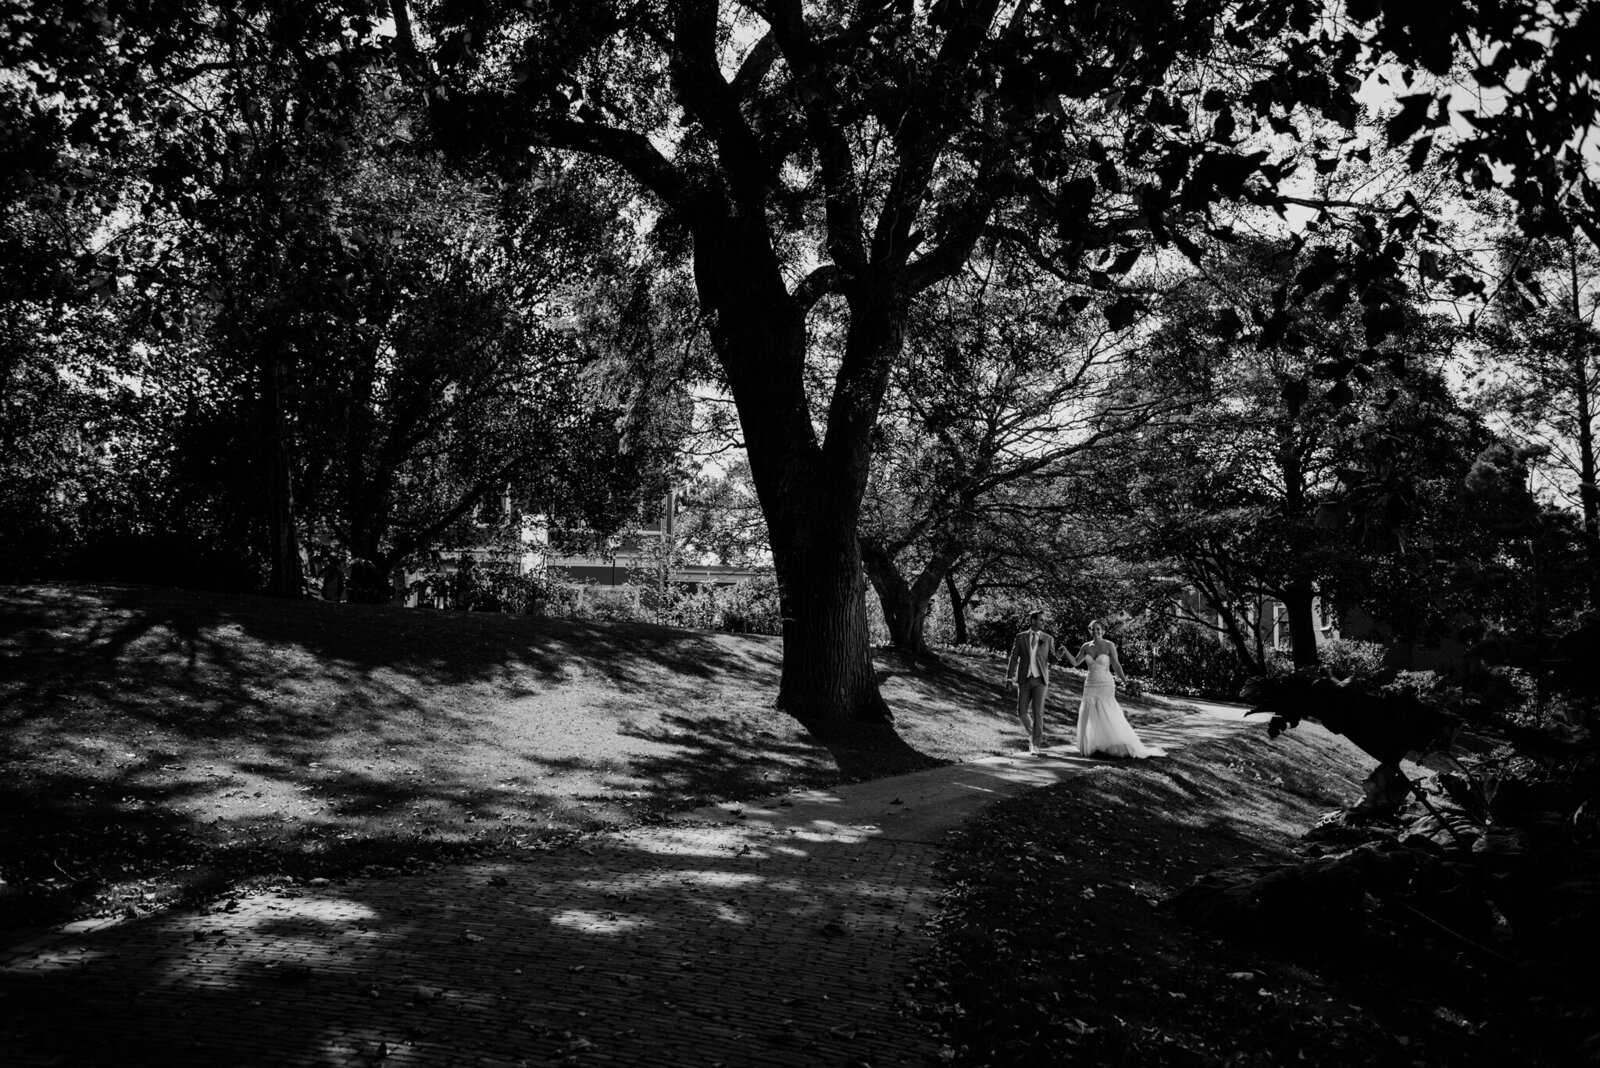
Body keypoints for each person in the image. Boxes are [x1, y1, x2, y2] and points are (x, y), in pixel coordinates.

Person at [1073, 620, 1165, 759]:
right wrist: (1064, 651)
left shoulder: (1109, 645)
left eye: (1098, 629)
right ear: (1089, 630)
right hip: (1090, 684)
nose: (1095, 631)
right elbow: (1075, 662)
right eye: (1093, 629)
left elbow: (1116, 664)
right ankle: (1096, 745)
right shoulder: (1085, 646)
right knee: (1090, 713)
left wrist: (1125, 681)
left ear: (1103, 631)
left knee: (1107, 712)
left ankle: (1113, 745)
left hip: (1106, 684)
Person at [1005, 609, 1060, 755]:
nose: (1043, 622)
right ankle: (1032, 734)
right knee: (1021, 712)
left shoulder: (1048, 639)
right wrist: (1009, 677)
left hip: (1040, 680)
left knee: (1038, 713)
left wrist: (1059, 655)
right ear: (1033, 621)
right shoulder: (1021, 637)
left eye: (1044, 620)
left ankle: (1035, 745)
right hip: (1024, 679)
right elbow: (1013, 658)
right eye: (1041, 620)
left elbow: (1052, 661)